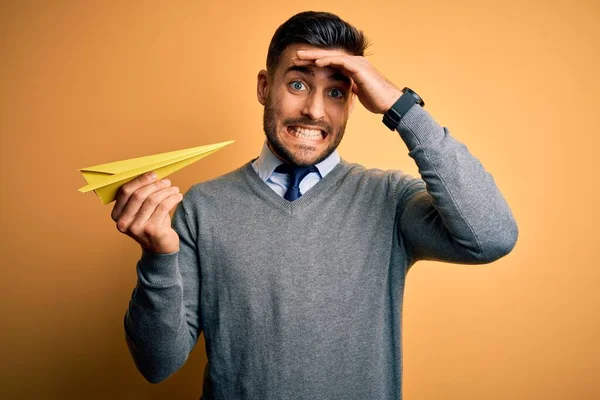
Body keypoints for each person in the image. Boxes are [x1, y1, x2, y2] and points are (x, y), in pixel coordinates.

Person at [114, 11, 518, 400]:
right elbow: (157, 364)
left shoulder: (390, 200)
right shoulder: (204, 206)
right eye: (298, 85)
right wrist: (157, 258)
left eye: (337, 92)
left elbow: (492, 237)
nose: (314, 110)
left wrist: (402, 107)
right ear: (263, 87)